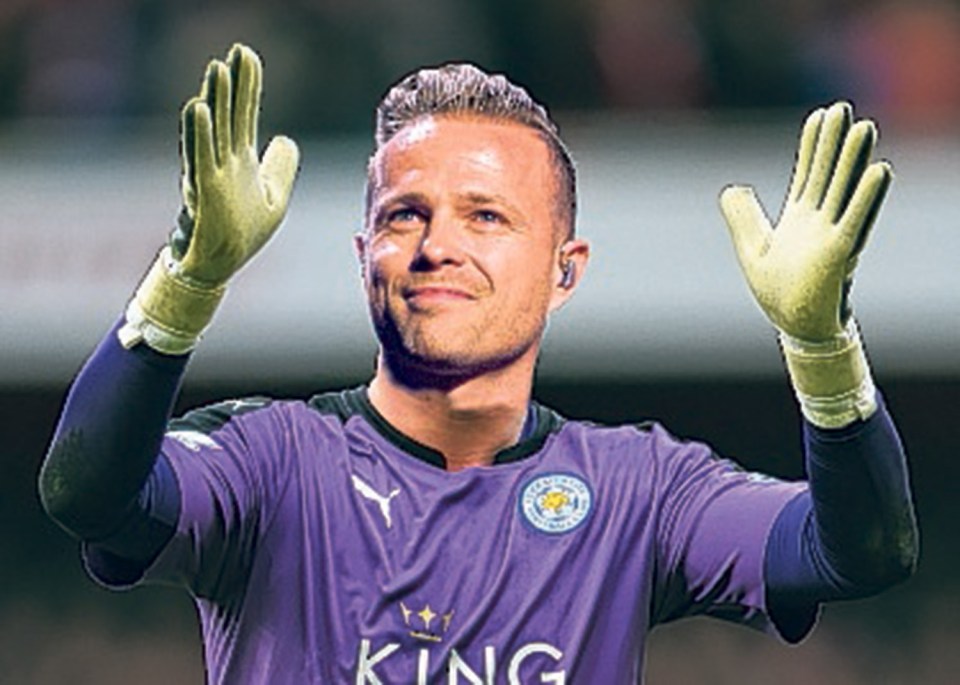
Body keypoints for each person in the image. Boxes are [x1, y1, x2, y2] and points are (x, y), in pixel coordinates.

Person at [39, 43, 918, 684]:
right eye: (403, 216)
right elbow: (86, 495)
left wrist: (820, 346)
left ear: (564, 270)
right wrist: (187, 281)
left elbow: (860, 553)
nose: (435, 247)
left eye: (486, 217)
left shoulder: (638, 488)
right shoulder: (271, 460)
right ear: (362, 255)